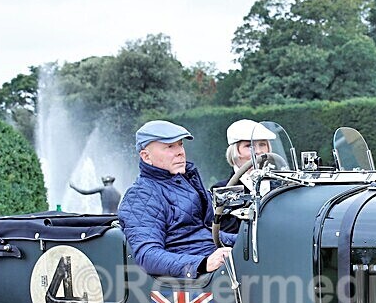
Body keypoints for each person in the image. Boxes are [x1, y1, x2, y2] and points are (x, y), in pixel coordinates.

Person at [117, 120, 235, 278]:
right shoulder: (140, 196)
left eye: (180, 144)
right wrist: (203, 263)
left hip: (213, 264)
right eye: (169, 147)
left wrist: (248, 239)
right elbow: (148, 256)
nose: (180, 152)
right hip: (194, 279)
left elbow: (203, 234)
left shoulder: (185, 184)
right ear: (146, 157)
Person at [211, 119, 278, 235]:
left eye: (262, 144)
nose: (258, 151)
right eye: (249, 146)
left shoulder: (278, 184)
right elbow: (227, 233)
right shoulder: (223, 190)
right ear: (235, 152)